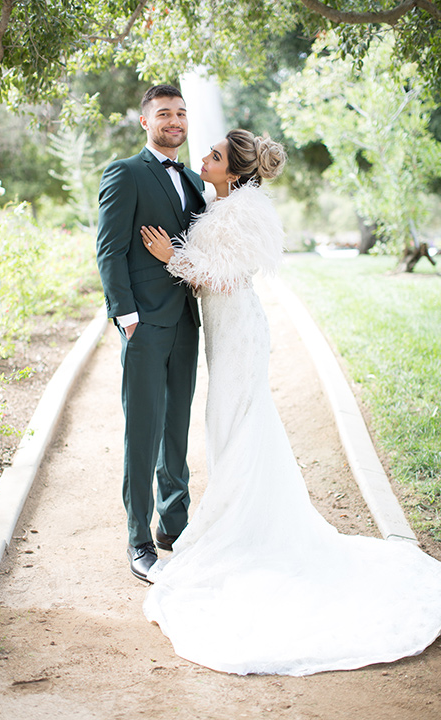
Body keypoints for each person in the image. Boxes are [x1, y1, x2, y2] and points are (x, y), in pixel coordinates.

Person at [139, 129, 441, 676]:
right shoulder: (220, 204)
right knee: (230, 423)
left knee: (235, 421)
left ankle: (240, 527)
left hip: (238, 332)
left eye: (214, 156)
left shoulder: (241, 213)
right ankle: (238, 514)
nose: (203, 158)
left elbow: (223, 280)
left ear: (234, 171)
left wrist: (169, 256)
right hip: (224, 334)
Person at [96, 85, 205, 582]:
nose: (174, 121)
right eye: (164, 114)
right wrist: (126, 315)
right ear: (146, 122)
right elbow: (109, 249)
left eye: (180, 113)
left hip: (185, 322)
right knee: (143, 432)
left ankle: (174, 526)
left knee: (176, 431)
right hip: (143, 324)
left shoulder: (193, 180)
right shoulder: (126, 173)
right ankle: (138, 540)